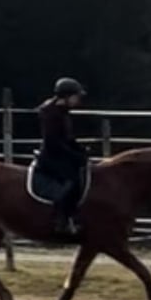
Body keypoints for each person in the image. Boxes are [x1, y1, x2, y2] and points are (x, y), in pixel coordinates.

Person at [36, 77, 89, 236]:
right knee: (71, 180)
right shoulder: (50, 113)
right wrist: (74, 155)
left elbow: (68, 138)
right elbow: (53, 142)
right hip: (51, 156)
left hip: (61, 153)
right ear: (66, 96)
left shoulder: (63, 112)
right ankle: (61, 219)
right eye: (76, 96)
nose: (78, 100)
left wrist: (80, 150)